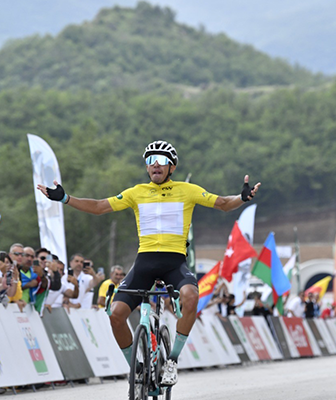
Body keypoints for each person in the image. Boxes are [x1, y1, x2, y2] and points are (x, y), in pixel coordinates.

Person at [37, 139, 260, 386]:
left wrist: (242, 197)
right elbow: (99, 207)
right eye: (150, 160)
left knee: (191, 297)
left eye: (162, 160)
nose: (156, 164)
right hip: (144, 263)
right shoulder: (136, 193)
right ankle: (137, 367)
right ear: (146, 166)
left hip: (175, 263)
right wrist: (65, 198)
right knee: (115, 315)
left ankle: (172, 361)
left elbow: (223, 204)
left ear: (172, 167)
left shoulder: (187, 190)